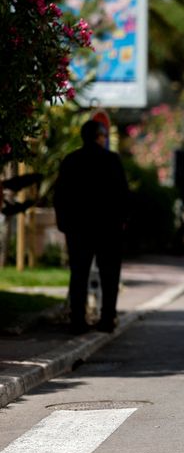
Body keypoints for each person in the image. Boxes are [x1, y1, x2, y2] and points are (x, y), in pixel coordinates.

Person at [54, 119, 129, 334]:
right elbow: (123, 195)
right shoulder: (112, 160)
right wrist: (123, 221)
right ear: (100, 137)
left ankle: (77, 321)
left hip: (78, 228)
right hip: (109, 229)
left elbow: (60, 195)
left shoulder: (71, 160)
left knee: (78, 274)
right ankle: (107, 319)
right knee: (110, 275)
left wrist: (64, 223)